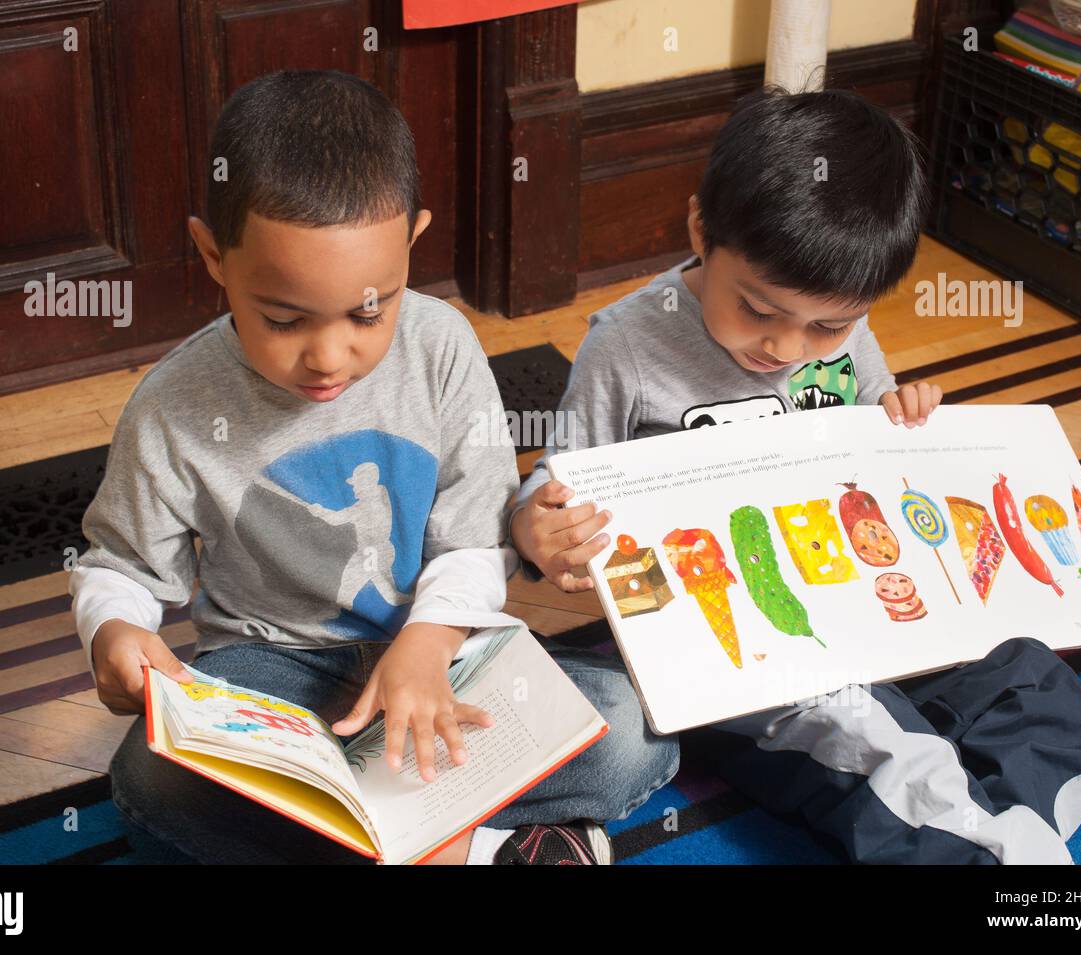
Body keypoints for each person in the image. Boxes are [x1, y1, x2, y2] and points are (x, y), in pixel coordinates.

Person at [69, 70, 677, 866]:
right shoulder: (173, 404)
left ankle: (379, 838)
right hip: (276, 667)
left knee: (635, 728)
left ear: (411, 241)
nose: (329, 356)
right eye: (283, 319)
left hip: (444, 645)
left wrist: (427, 641)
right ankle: (476, 844)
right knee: (150, 776)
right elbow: (120, 566)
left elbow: (475, 540)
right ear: (214, 255)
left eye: (368, 310)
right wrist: (112, 630)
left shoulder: (443, 347)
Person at [508, 87, 1081, 864]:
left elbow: (868, 443)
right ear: (701, 230)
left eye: (828, 325)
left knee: (1043, 692)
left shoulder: (842, 337)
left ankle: (983, 822)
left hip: (874, 612)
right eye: (758, 309)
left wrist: (904, 417)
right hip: (746, 652)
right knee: (873, 740)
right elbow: (558, 477)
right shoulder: (626, 345)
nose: (788, 347)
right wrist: (536, 520)